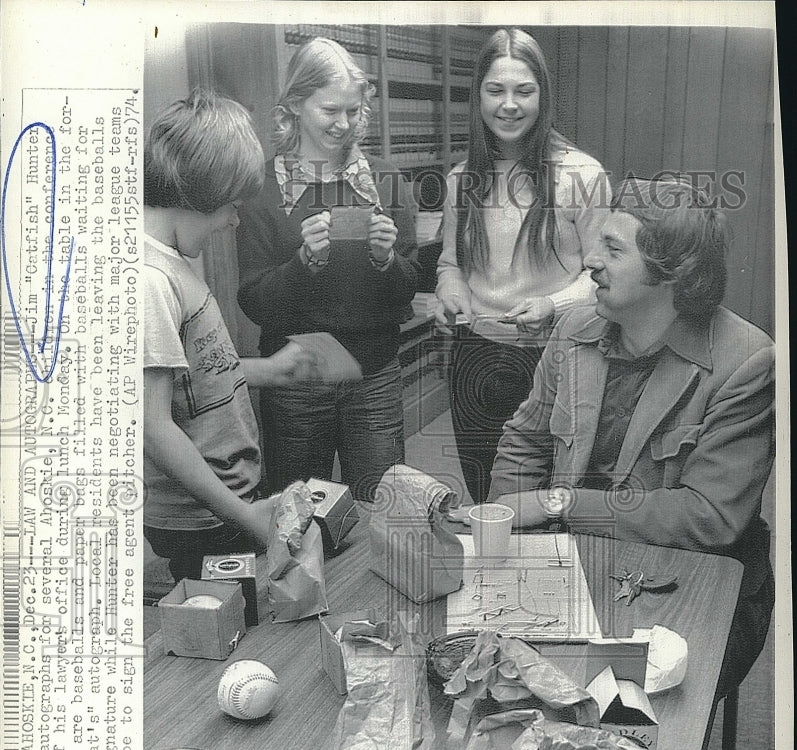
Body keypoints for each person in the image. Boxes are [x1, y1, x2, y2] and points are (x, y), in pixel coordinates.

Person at [486, 176, 775, 696]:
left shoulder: (746, 361)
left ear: (670, 276)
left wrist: (562, 504)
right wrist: (505, 538)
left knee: (624, 709)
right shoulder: (573, 330)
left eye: (612, 249)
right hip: (572, 564)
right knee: (496, 680)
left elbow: (710, 518)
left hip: (689, 580)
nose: (588, 261)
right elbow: (525, 442)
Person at [236, 37, 421, 502]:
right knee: (299, 512)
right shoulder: (261, 188)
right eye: (330, 110)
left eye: (354, 112)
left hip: (374, 372)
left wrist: (386, 261)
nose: (344, 124)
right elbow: (254, 301)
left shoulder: (386, 181)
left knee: (383, 507)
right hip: (295, 379)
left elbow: (411, 286)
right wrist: (303, 264)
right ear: (296, 104)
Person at [143, 90, 314, 583]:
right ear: (198, 194)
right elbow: (153, 426)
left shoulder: (175, 265)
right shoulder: (152, 281)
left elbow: (195, 376)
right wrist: (245, 517)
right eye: (232, 207)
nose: (236, 220)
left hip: (223, 505)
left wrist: (268, 370)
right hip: (203, 518)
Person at [435, 27, 611, 505]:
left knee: (544, 498)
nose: (508, 105)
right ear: (478, 97)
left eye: (523, 91)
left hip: (554, 354)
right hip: (475, 353)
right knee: (484, 494)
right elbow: (450, 264)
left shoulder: (583, 175)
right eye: (495, 90)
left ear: (543, 96)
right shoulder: (460, 179)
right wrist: (450, 291)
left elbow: (601, 277)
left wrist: (550, 304)